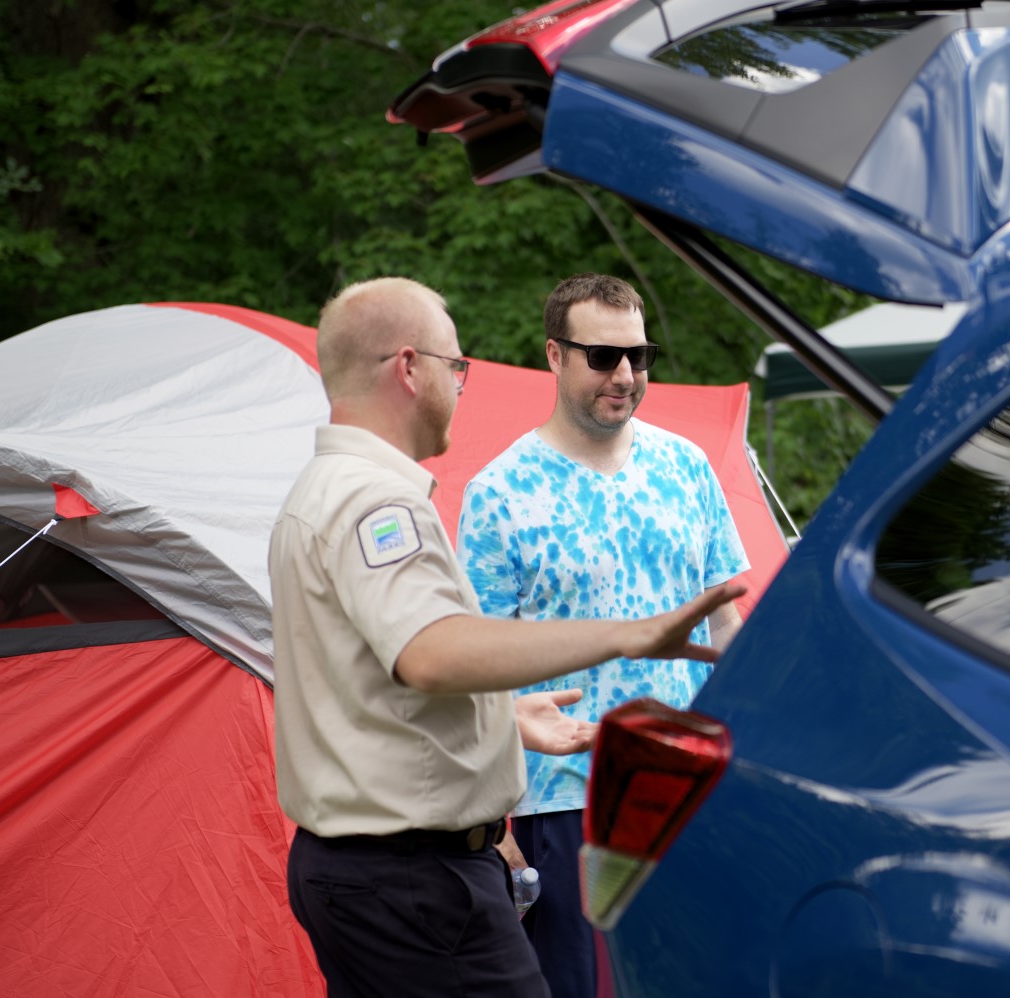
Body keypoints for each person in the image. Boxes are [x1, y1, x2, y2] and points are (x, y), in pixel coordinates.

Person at [270, 276, 743, 998]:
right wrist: (627, 636)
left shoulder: (332, 490)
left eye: (640, 357)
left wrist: (506, 719)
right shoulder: (406, 500)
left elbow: (397, 675)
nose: (625, 375)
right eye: (455, 366)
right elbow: (441, 654)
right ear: (408, 368)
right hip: (507, 832)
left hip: (675, 790)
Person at [458, 274, 750, 998]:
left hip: (691, 786)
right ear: (554, 356)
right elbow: (476, 670)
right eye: (602, 357)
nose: (625, 375)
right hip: (566, 803)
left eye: (640, 357)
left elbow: (727, 621)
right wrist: (498, 826)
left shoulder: (686, 466)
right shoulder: (499, 493)